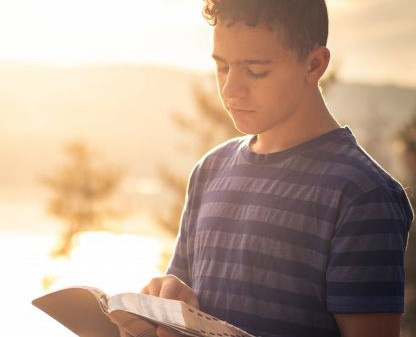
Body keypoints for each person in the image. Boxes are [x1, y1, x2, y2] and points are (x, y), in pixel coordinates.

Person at [115, 0, 413, 336]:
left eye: (256, 71)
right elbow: (183, 296)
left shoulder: (362, 194)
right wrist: (165, 301)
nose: (230, 90)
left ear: (314, 64)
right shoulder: (209, 171)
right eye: (223, 67)